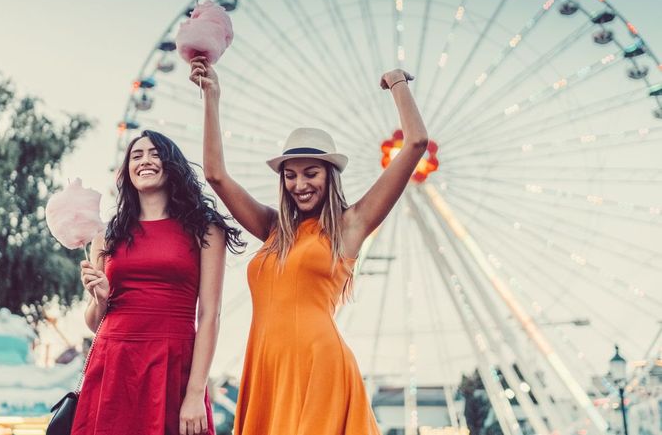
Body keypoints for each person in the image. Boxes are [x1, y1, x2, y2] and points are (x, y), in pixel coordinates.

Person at [190, 56, 429, 434]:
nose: (300, 184)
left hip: (320, 364)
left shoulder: (350, 225)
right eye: (290, 175)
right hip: (267, 366)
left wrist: (397, 83)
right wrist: (211, 97)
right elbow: (216, 176)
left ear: (330, 176)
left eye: (311, 173)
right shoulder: (272, 229)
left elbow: (416, 143)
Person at [71, 130, 245, 435]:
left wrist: (194, 394)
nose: (145, 161)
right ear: (126, 171)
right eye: (136, 156)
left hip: (172, 363)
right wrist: (99, 298)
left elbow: (209, 315)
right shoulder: (106, 235)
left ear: (171, 164)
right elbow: (93, 322)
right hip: (113, 363)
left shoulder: (205, 230)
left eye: (155, 153)